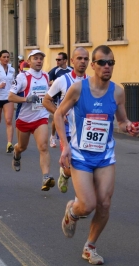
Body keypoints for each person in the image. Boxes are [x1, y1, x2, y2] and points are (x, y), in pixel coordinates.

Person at [54, 45, 139, 264]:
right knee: (88, 204)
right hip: (81, 155)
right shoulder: (78, 89)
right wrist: (65, 146)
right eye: (102, 62)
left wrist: (128, 125)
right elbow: (58, 114)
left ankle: (89, 247)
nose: (107, 66)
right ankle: (72, 212)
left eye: (111, 62)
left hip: (105, 156)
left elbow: (121, 121)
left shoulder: (117, 92)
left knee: (105, 204)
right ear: (92, 65)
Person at [43, 47, 90, 193]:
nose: (82, 62)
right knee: (71, 168)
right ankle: (65, 173)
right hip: (67, 130)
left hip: (85, 131)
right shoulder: (62, 80)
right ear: (72, 61)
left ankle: (80, 201)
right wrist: (59, 112)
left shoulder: (91, 81)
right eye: (79, 58)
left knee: (84, 167)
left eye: (85, 59)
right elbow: (46, 101)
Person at [8, 49, 54, 191]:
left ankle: (46, 177)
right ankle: (16, 153)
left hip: (41, 117)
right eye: (36, 58)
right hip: (24, 118)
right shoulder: (22, 77)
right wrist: (25, 99)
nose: (39, 61)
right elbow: (10, 96)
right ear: (29, 61)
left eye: (41, 58)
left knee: (44, 147)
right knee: (22, 147)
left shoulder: (46, 76)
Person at [48, 52, 73, 147]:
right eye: (56, 59)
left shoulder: (71, 70)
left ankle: (69, 135)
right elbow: (47, 80)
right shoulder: (54, 71)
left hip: (70, 98)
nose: (57, 61)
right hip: (58, 98)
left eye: (59, 59)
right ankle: (53, 136)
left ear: (65, 60)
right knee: (57, 117)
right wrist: (51, 85)